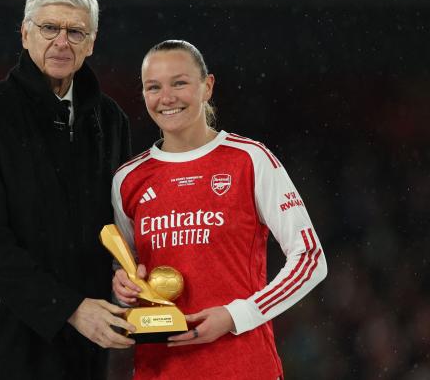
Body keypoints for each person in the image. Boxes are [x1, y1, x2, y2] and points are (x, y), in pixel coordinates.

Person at [0, 0, 135, 380]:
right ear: (25, 33)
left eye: (75, 31)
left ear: (92, 42)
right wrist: (69, 308)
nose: (62, 42)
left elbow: (119, 226)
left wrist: (129, 279)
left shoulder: (111, 121)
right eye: (49, 28)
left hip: (83, 349)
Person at [111, 40, 327, 380]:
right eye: (154, 87)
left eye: (179, 83)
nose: (166, 97)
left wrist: (236, 315)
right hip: (159, 370)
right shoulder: (127, 180)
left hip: (242, 365)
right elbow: (123, 266)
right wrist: (121, 286)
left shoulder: (250, 159)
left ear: (207, 86)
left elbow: (310, 258)